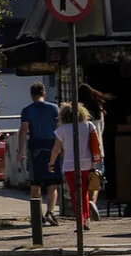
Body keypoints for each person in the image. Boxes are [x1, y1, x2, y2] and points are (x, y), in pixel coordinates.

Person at [51, 101, 104, 225]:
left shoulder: (62, 129)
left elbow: (56, 149)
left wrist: (51, 163)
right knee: (84, 191)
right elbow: (96, 144)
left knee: (75, 193)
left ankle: (80, 219)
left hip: (69, 164)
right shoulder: (89, 125)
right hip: (86, 163)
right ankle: (86, 218)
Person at [19, 82, 61, 217]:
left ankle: (37, 215)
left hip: (35, 147)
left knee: (35, 182)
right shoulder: (54, 108)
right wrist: (62, 148)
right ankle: (50, 211)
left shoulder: (27, 110)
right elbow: (59, 129)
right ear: (44, 93)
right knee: (53, 183)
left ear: (31, 95)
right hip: (52, 147)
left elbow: (24, 130)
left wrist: (21, 150)